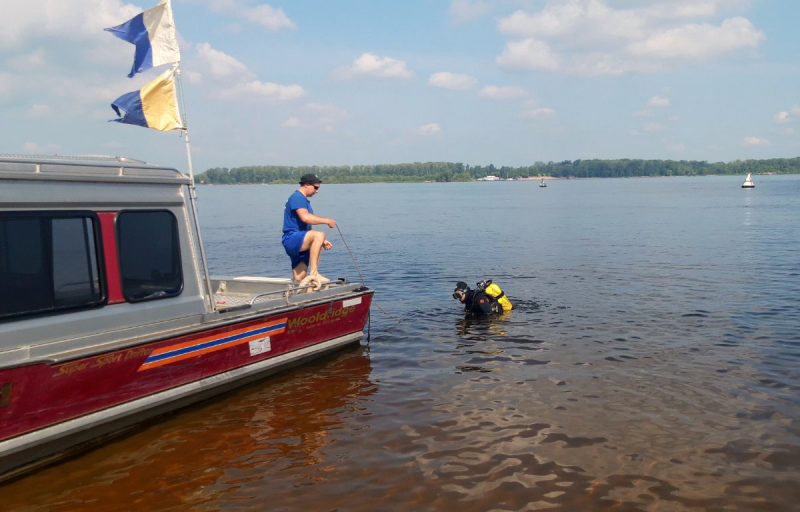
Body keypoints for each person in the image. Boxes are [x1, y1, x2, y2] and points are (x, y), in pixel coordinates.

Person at [282, 173, 336, 287]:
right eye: (316, 188)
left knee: (299, 280)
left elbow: (305, 225)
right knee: (319, 234)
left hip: (300, 240)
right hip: (292, 238)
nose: (317, 191)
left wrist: (321, 241)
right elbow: (305, 217)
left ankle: (297, 301)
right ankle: (314, 273)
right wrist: (327, 220)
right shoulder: (297, 197)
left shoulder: (303, 200)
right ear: (306, 185)